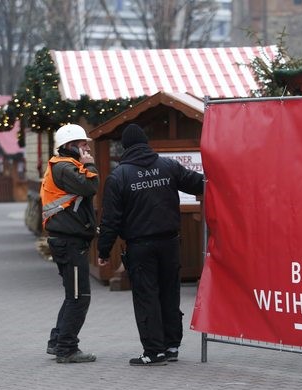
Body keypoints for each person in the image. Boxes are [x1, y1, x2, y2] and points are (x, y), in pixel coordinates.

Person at [97, 124, 204, 366]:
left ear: (125, 147)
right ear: (146, 143)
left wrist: (103, 250)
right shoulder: (168, 166)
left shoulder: (119, 176)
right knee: (170, 294)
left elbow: (110, 220)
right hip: (170, 243)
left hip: (140, 247)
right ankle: (171, 346)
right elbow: (199, 183)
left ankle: (154, 352)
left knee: (147, 298)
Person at [40, 123, 99, 364]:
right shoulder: (65, 167)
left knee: (72, 294)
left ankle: (57, 342)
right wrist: (90, 164)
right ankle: (66, 348)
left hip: (67, 241)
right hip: (69, 243)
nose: (86, 147)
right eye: (82, 143)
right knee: (79, 296)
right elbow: (91, 187)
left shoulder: (65, 165)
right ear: (69, 146)